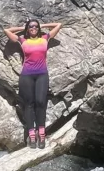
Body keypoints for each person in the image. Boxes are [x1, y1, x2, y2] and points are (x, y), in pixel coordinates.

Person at [4, 19, 62, 148]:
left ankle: (41, 134)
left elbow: (58, 25)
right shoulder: (22, 40)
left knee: (41, 102)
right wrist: (22, 28)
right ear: (27, 28)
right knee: (29, 105)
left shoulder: (45, 38)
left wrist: (43, 25)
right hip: (26, 76)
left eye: (36, 26)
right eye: (31, 26)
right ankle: (31, 135)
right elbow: (6, 31)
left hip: (42, 75)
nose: (33, 28)